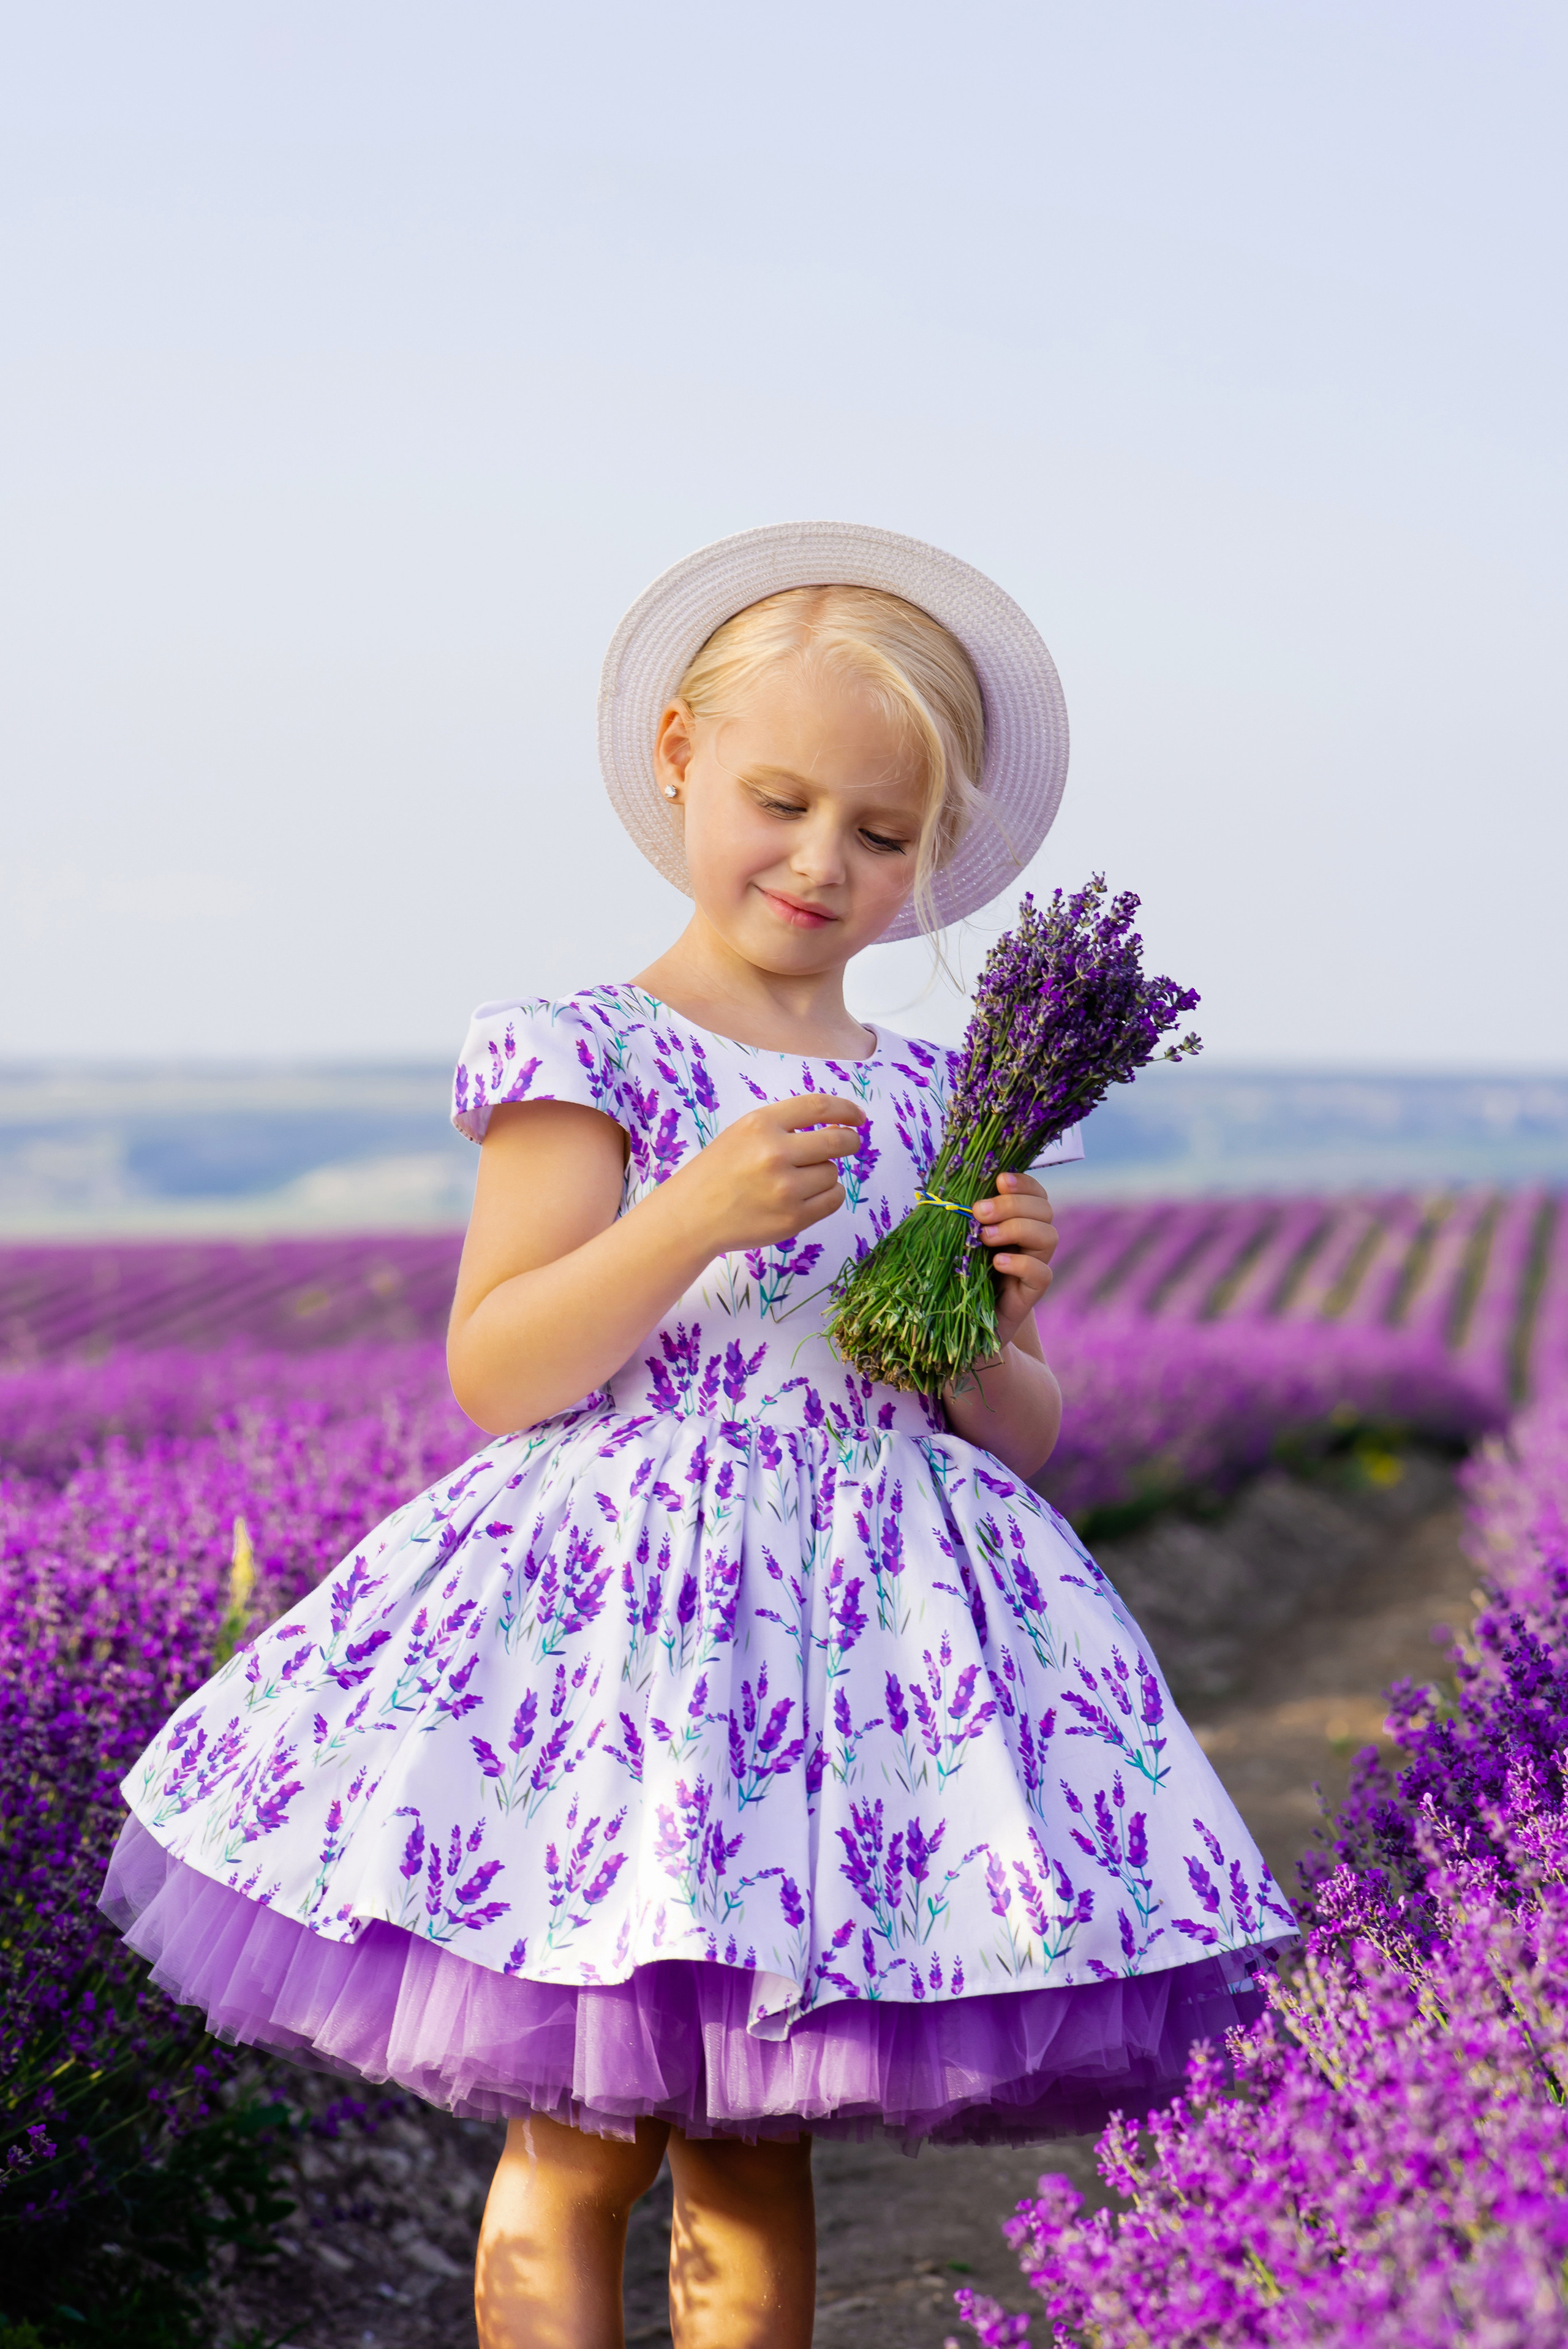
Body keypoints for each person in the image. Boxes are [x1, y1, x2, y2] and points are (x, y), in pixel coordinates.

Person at [102, 523, 1294, 2348]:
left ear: (936, 849)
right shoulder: (589, 1048)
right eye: (781, 802)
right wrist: (686, 1218)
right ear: (681, 758)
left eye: (880, 833)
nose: (822, 863)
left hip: (851, 1673)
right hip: (621, 1659)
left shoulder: (943, 1099)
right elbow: (501, 1367)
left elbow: (1013, 1435)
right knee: (578, 2139)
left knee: (754, 2150)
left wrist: (1004, 1317)